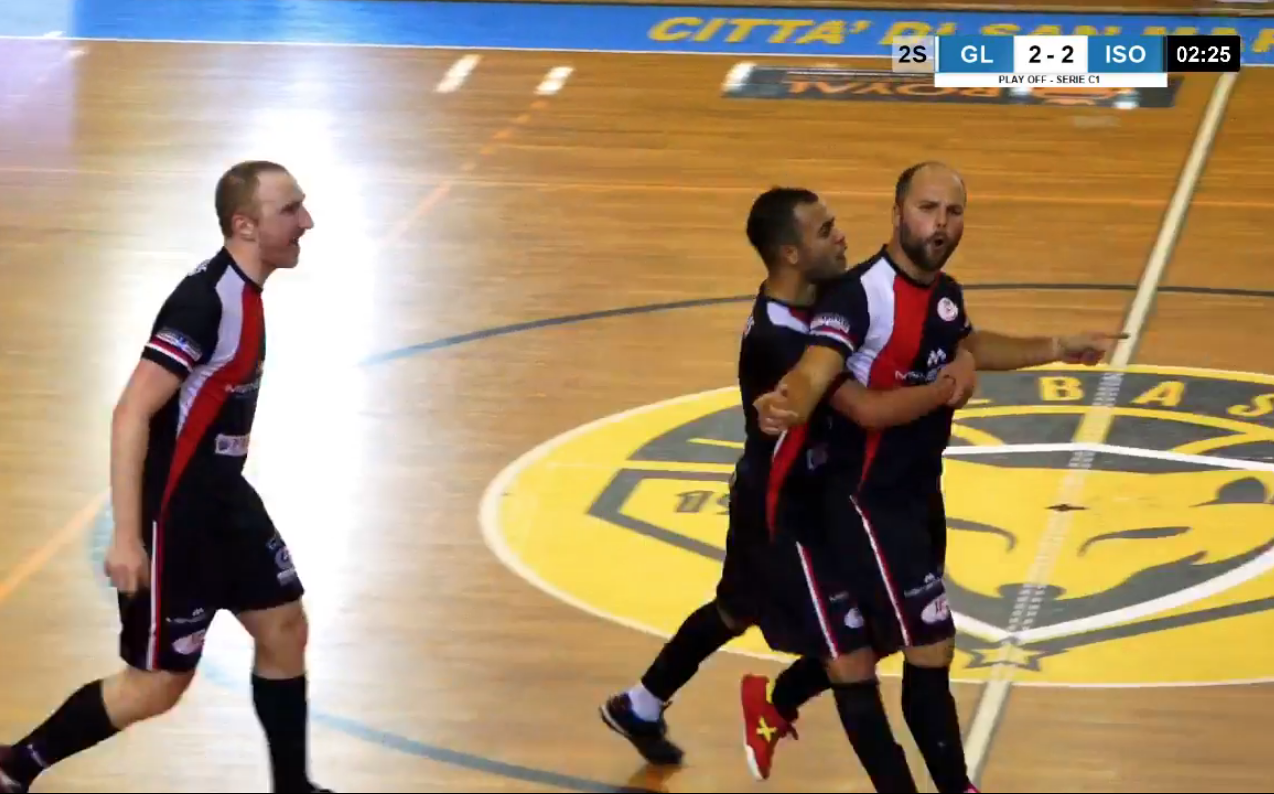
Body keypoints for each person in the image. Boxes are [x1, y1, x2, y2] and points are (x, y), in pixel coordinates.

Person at [741, 161, 1122, 792]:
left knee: (878, 643)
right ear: (896, 214)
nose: (940, 224)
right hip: (863, 502)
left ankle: (779, 700)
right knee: (927, 644)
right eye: (927, 209)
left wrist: (1056, 346)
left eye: (953, 212)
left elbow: (966, 343)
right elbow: (822, 373)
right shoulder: (859, 296)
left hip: (917, 494)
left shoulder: (943, 294)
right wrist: (791, 400)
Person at [599, 186, 975, 769]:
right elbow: (861, 407)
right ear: (791, 254)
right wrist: (946, 385)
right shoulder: (778, 337)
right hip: (781, 504)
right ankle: (757, 703)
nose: (841, 236)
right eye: (825, 230)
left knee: (745, 609)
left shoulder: (824, 297)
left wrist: (964, 348)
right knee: (836, 634)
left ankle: (646, 704)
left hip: (820, 495)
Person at [0, 161, 332, 794]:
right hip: (175, 520)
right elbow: (131, 412)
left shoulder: (245, 292)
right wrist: (128, 538)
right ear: (244, 225)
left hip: (226, 503)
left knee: (285, 628)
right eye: (290, 210)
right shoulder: (203, 304)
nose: (306, 222)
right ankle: (15, 767)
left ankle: (293, 788)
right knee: (156, 687)